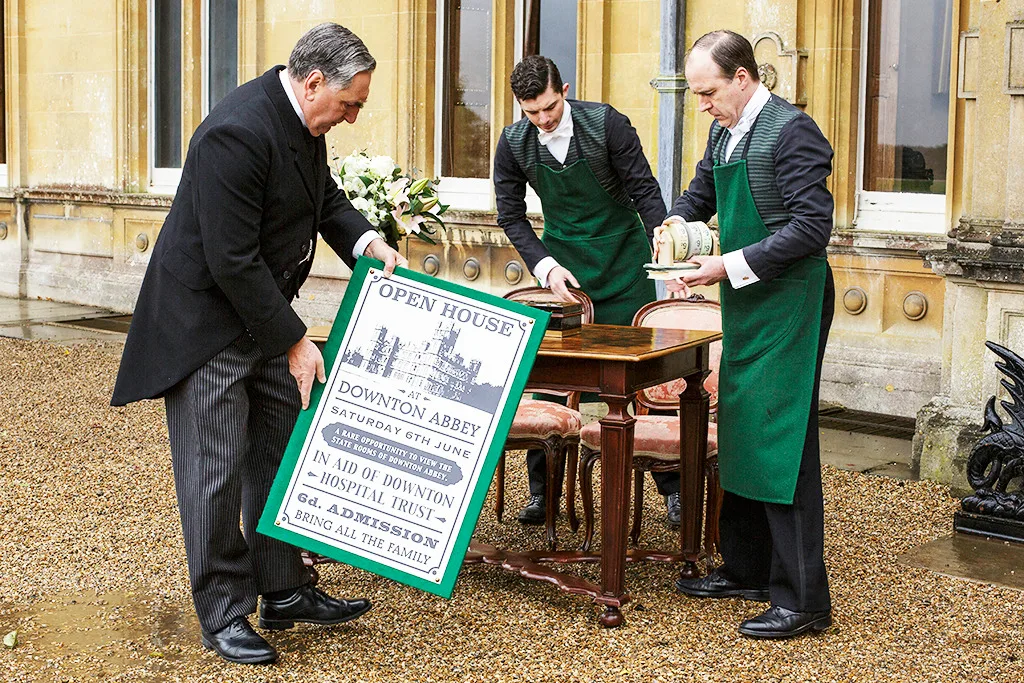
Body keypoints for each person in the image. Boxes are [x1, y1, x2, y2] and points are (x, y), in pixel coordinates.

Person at [111, 23, 407, 664]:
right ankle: (223, 613)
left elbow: (322, 198)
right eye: (350, 103)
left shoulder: (304, 122)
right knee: (212, 476)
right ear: (314, 81)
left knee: (281, 451)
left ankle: (282, 588)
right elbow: (232, 260)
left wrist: (365, 242)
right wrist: (297, 342)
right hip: (206, 329)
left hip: (261, 318)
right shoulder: (235, 132)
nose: (353, 117)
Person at [666, 30, 836, 639]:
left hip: (792, 301)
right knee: (740, 422)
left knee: (782, 439)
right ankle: (746, 570)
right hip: (750, 302)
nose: (703, 104)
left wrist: (726, 266)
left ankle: (803, 599)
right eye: (696, 95)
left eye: (709, 92)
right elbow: (700, 193)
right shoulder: (723, 129)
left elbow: (812, 228)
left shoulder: (793, 131)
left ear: (743, 77)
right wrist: (678, 232)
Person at [493, 55, 681, 527]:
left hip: (624, 265)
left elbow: (645, 193)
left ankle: (672, 488)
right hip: (564, 275)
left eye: (551, 107)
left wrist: (668, 262)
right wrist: (545, 266)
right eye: (532, 111)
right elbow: (510, 215)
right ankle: (545, 494)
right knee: (551, 381)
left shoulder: (607, 124)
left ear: (566, 89)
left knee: (647, 383)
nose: (544, 118)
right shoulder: (514, 144)